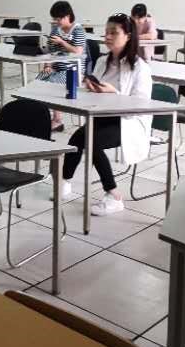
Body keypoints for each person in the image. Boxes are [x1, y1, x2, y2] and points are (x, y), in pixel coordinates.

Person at [58, 13, 154, 216]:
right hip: (103, 116)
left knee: (91, 141)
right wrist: (91, 87)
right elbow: (98, 93)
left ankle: (114, 195)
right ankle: (64, 182)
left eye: (114, 33)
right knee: (76, 138)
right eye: (106, 32)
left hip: (129, 122)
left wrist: (114, 93)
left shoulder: (140, 68)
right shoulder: (103, 61)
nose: (108, 37)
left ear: (128, 36)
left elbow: (141, 106)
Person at [37, 0, 88, 131]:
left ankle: (57, 120)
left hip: (73, 71)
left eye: (59, 19)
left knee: (52, 85)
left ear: (67, 16)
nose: (56, 21)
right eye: (55, 19)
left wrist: (62, 42)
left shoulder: (78, 30)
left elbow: (78, 51)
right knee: (37, 83)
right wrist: (48, 66)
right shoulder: (55, 30)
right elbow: (51, 52)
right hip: (56, 68)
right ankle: (41, 117)